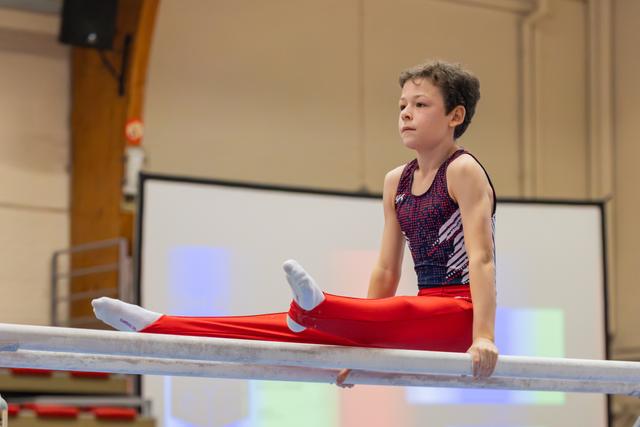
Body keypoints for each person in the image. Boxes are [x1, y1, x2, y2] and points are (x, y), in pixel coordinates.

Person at [92, 59, 498, 387]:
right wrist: (360, 345)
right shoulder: (397, 181)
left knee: (335, 317)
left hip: (458, 313)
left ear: (455, 115)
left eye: (421, 105)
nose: (406, 113)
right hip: (415, 317)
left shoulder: (463, 171)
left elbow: (481, 260)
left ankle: (319, 309)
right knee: (281, 330)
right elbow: (387, 269)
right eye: (402, 105)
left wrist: (483, 337)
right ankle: (160, 327)